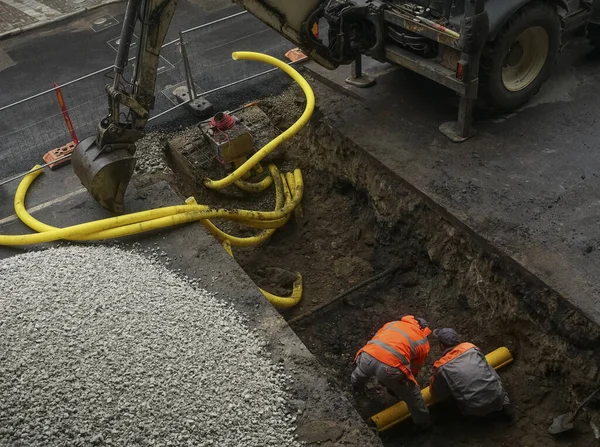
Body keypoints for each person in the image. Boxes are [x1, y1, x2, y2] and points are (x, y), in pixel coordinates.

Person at [351, 315, 432, 429]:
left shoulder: (392, 324)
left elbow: (378, 338)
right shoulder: (423, 341)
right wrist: (403, 382)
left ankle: (356, 389)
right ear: (423, 329)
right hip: (390, 368)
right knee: (413, 396)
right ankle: (423, 424)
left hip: (368, 355)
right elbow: (415, 366)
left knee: (360, 373)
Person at [429, 328, 512, 418]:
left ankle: (475, 419)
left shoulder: (440, 366)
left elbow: (436, 392)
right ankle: (505, 403)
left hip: (475, 408)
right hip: (498, 397)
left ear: (441, 345)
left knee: (449, 390)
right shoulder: (470, 347)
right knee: (488, 367)